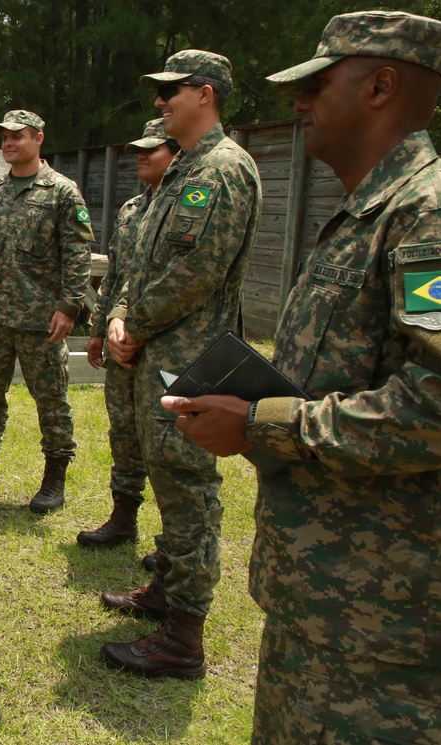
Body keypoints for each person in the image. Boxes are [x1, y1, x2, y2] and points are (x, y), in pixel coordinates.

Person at [161, 11, 441, 742]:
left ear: (381, 86)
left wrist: (259, 423)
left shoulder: (428, 216)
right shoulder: (362, 214)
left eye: (318, 85)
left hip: (388, 617)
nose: (299, 103)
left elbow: (436, 404)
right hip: (325, 598)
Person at [98, 50, 262, 679]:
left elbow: (195, 272)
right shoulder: (181, 172)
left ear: (207, 93)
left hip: (188, 360)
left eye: (172, 90)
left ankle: (183, 639)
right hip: (153, 352)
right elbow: (139, 265)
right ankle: (166, 591)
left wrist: (132, 325)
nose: (160, 101)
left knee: (188, 487)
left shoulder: (220, 170)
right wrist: (118, 317)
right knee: (168, 476)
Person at [0, 109, 93, 513]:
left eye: (18, 136)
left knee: (50, 398)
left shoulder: (62, 192)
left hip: (41, 320)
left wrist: (69, 307)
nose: (9, 143)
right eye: (4, 137)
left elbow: (77, 255)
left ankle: (54, 479)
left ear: (39, 139)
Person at [77, 118, 179, 560]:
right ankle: (123, 518)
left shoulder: (185, 206)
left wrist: (132, 327)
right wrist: (98, 329)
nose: (140, 156)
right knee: (124, 429)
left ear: (177, 153)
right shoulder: (132, 209)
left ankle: (175, 536)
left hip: (163, 340)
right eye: (138, 148)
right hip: (119, 337)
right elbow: (115, 276)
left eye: (152, 149)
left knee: (168, 439)